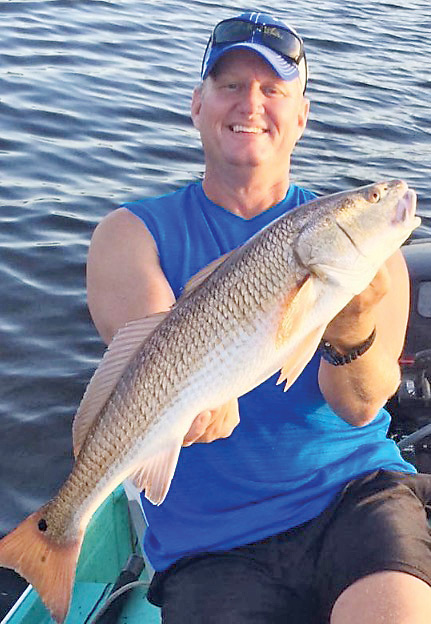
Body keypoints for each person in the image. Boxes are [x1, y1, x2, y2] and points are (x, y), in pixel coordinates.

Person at [86, 10, 431, 623]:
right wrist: (200, 394)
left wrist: (350, 329)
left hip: (355, 498)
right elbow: (155, 342)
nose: (252, 103)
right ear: (197, 104)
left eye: (274, 89)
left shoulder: (374, 260)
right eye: (230, 86)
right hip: (211, 544)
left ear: (302, 115)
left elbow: (360, 405)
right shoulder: (128, 234)